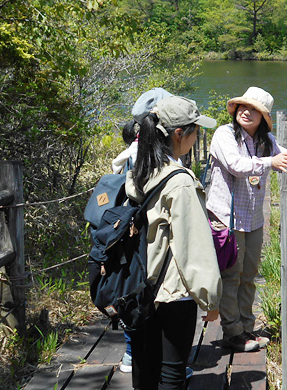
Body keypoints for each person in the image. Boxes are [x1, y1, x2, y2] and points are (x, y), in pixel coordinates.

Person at [206, 86, 287, 352]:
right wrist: (269, 163)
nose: (246, 111)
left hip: (252, 218)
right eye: (243, 106)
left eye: (254, 109)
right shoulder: (225, 134)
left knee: (249, 274)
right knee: (232, 274)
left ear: (263, 118)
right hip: (226, 218)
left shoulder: (266, 140)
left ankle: (246, 327)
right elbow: (235, 165)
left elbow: (283, 155)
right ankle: (232, 332)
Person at [125, 95, 222, 390]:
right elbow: (194, 247)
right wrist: (210, 298)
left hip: (141, 283)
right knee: (172, 373)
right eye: (195, 131)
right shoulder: (179, 181)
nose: (196, 137)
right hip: (173, 290)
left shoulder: (141, 171)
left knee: (145, 365)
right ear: (179, 134)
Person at [115, 88, 174, 374]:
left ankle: (133, 353)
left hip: (132, 226)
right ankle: (138, 354)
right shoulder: (147, 149)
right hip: (145, 229)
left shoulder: (137, 145)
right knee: (144, 288)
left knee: (135, 285)